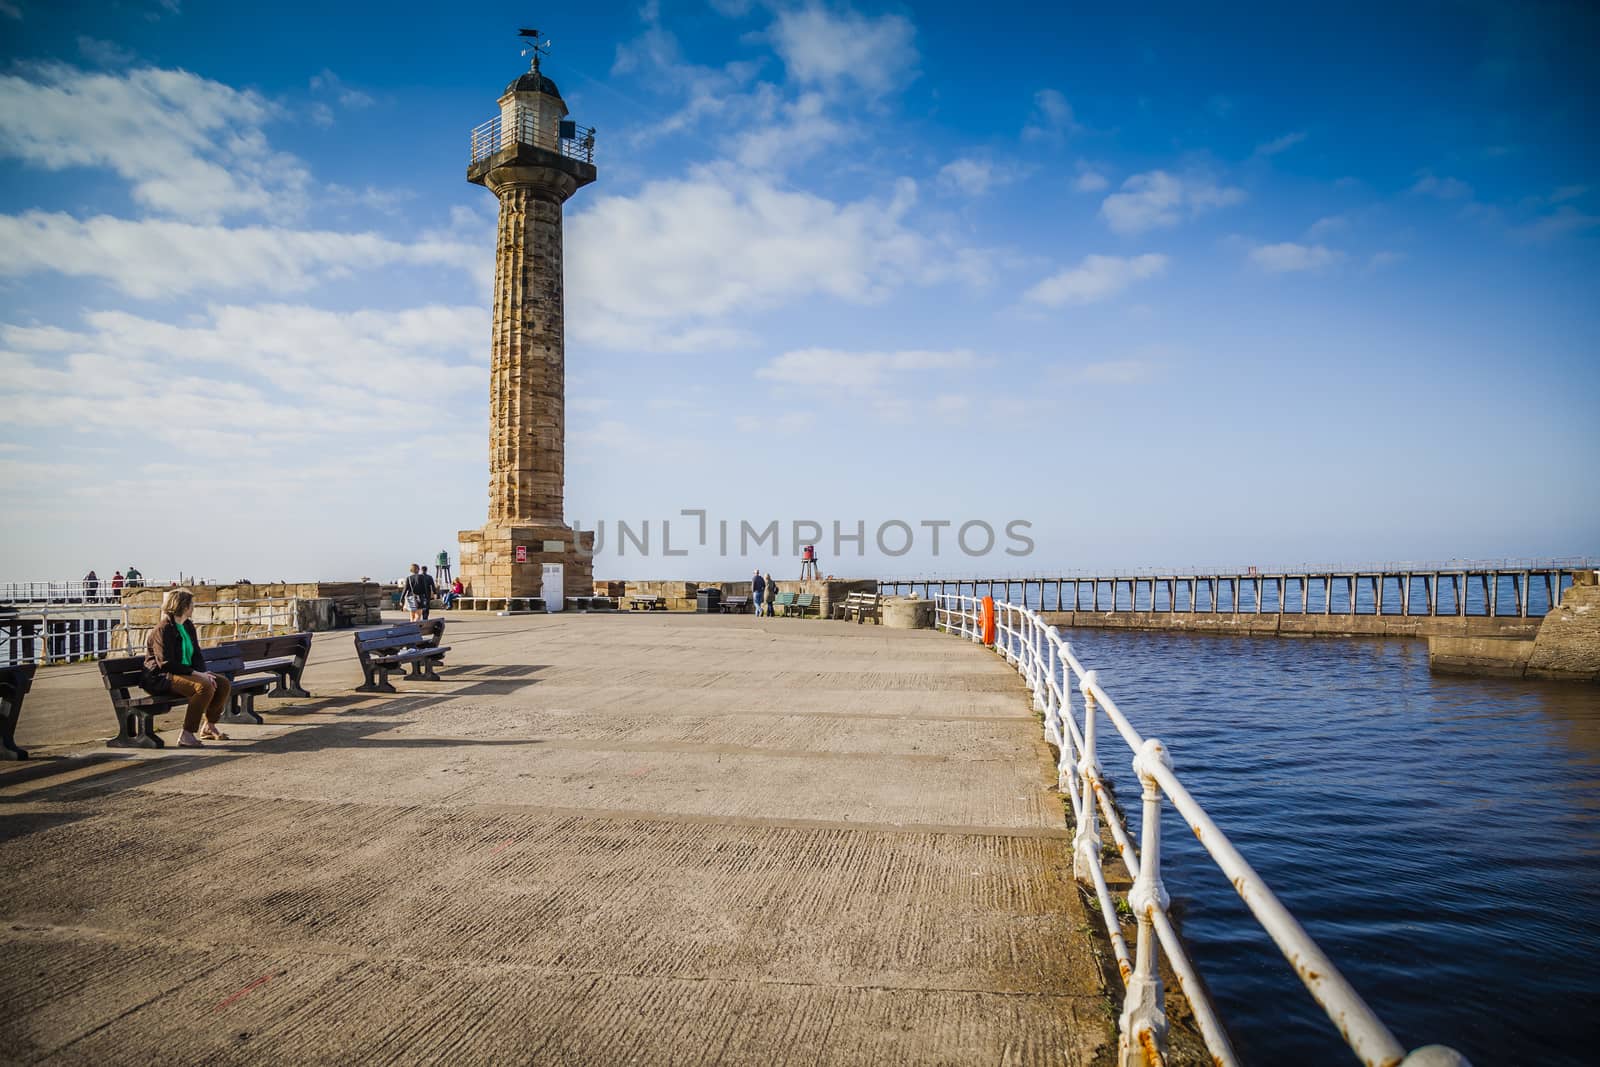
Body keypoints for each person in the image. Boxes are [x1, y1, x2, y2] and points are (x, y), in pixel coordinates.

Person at [143, 587, 232, 747]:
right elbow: (165, 663)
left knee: (222, 683)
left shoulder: (187, 626)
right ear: (184, 607)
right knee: (204, 687)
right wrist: (197, 674)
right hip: (162, 677)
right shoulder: (163, 630)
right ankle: (187, 734)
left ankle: (209, 727)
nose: (194, 607)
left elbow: (196, 655)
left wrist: (204, 672)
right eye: (192, 604)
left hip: (184, 673)